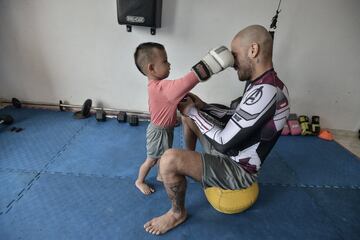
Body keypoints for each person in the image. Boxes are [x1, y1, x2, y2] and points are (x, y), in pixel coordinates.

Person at [143, 25, 290, 235]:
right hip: (231, 151)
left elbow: (223, 141)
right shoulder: (261, 83)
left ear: (253, 50)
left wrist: (195, 112)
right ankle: (189, 163)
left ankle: (177, 213)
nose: (232, 63)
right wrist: (203, 106)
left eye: (235, 55)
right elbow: (236, 117)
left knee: (168, 159)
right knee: (189, 116)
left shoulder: (268, 92)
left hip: (239, 171)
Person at [133, 42, 234, 194]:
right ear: (151, 68)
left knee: (164, 153)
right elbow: (185, 83)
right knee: (151, 159)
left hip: (166, 129)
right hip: (158, 132)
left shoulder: (158, 86)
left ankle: (162, 174)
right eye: (165, 61)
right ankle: (139, 181)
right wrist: (209, 64)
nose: (169, 64)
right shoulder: (161, 87)